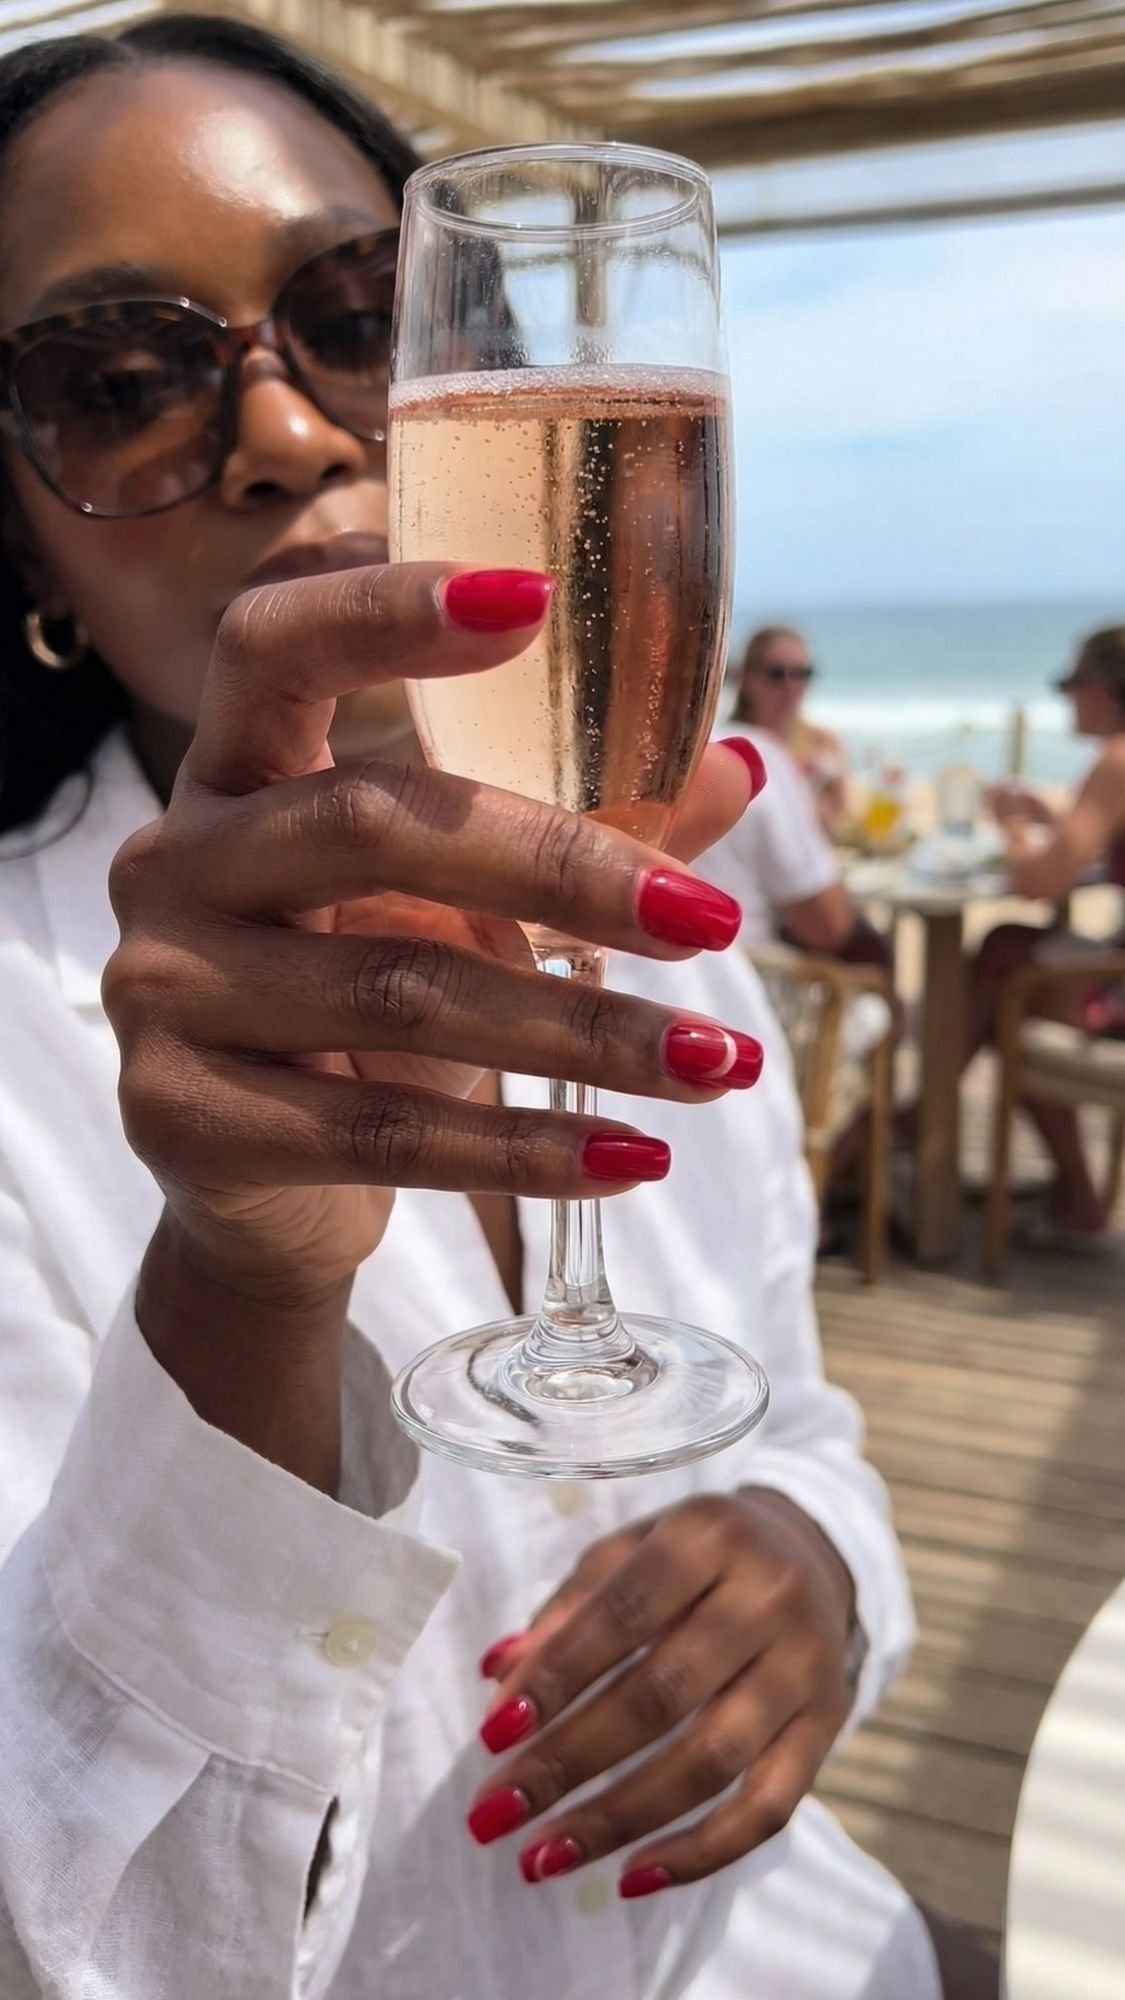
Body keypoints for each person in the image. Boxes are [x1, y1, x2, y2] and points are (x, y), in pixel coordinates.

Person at [0, 18, 997, 1999]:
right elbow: (65, 1930)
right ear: (24, 538)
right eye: (120, 382)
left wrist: (810, 1560)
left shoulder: (657, 891)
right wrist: (238, 1287)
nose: (283, 429)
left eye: (355, 313)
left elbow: (797, 1415)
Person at [969, 627, 1125, 1242]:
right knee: (1006, 954)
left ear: (1105, 689)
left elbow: (1041, 881)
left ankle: (917, 1120)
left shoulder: (1115, 760)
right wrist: (1053, 819)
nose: (1066, 699)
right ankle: (1074, 1191)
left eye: (1070, 684)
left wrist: (1010, 827)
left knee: (1006, 983)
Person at [731, 627, 850, 834]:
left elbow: (842, 814)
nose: (791, 685)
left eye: (802, 673)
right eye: (777, 674)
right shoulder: (730, 746)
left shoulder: (823, 741)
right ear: (747, 679)